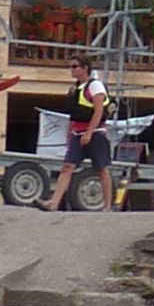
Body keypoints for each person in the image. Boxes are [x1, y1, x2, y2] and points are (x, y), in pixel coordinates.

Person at [42, 70, 115, 213]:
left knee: (101, 169)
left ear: (84, 68)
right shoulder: (76, 89)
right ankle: (54, 203)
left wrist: (88, 133)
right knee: (67, 167)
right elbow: (74, 114)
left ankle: (107, 206)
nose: (72, 69)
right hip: (77, 133)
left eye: (75, 66)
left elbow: (98, 111)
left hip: (96, 133)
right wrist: (70, 133)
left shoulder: (95, 86)